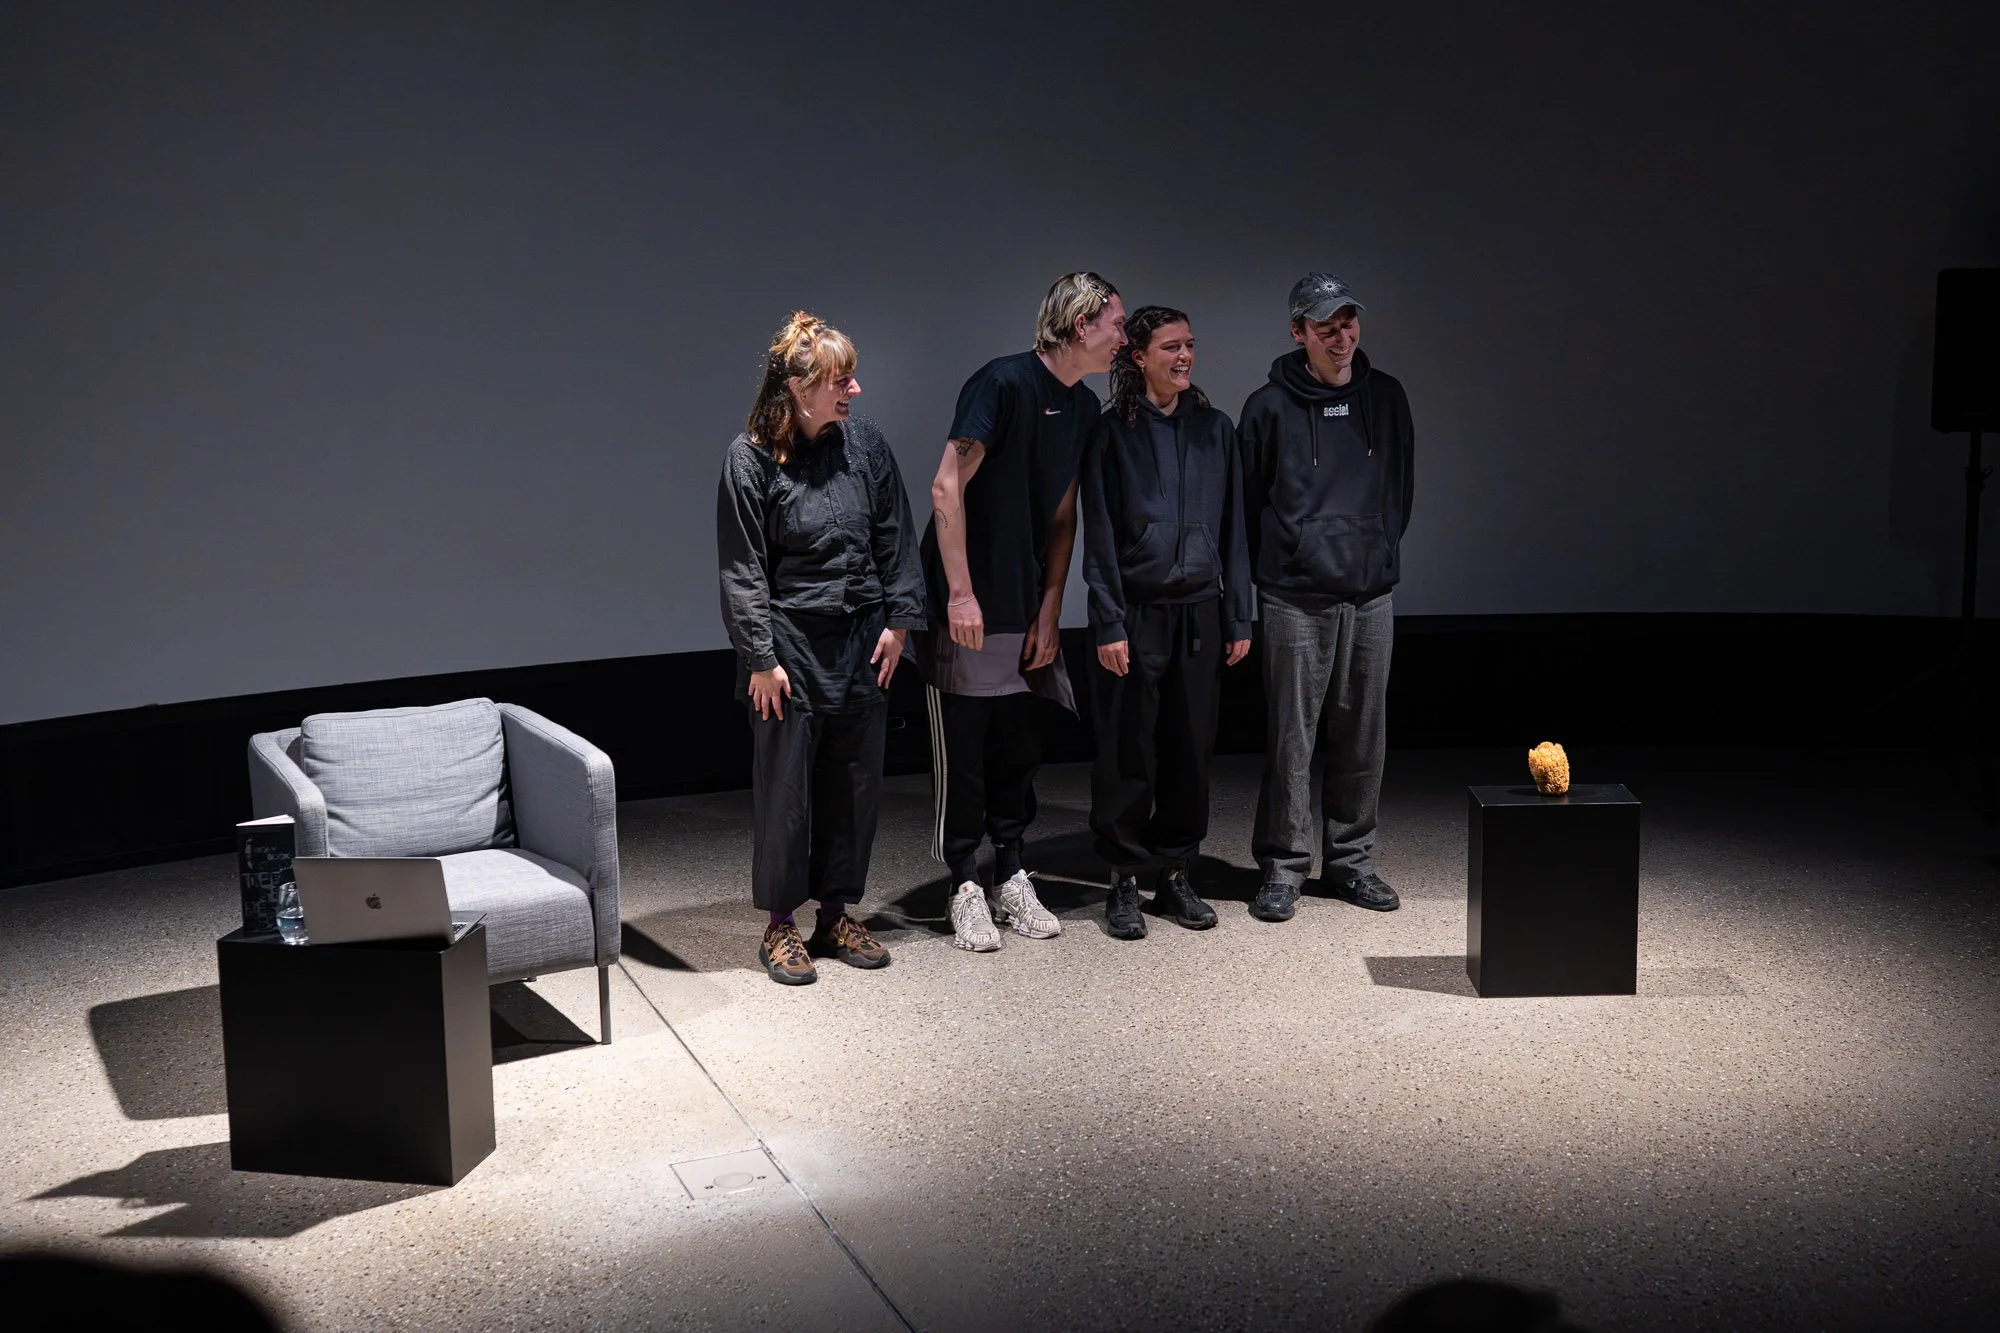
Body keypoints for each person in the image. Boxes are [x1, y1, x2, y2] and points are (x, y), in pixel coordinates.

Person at [917, 272, 1126, 951]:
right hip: (967, 600)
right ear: (1079, 326)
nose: (1123, 338)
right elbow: (946, 486)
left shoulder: (1085, 406)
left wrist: (1051, 606)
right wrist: (960, 592)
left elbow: (1063, 514)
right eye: (1116, 324)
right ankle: (963, 883)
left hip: (1025, 598)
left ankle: (1010, 872)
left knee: (1018, 749)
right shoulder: (1002, 383)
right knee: (966, 752)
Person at [717, 312, 926, 984]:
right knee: (787, 792)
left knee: (854, 785)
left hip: (862, 640)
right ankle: (780, 924)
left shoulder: (865, 445)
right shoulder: (751, 457)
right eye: (840, 380)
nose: (853, 390)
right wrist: (760, 657)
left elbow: (895, 534)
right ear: (799, 389)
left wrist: (900, 621)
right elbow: (743, 567)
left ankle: (835, 914)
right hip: (789, 646)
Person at [1240, 273, 1415, 922]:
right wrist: (1288, 560)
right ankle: (1283, 868)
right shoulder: (1267, 407)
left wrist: (1377, 551)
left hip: (1370, 596)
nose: (1342, 339)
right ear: (1299, 333)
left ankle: (1352, 863)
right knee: (1292, 739)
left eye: (1348, 324)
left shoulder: (1386, 397)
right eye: (1326, 328)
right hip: (1294, 598)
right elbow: (1249, 500)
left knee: (1364, 736)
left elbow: (1401, 487)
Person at [1078, 305, 1252, 940]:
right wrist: (1108, 622)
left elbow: (1234, 528)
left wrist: (1238, 614)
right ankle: (1123, 877)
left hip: (1201, 613)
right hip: (1135, 614)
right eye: (1170, 347)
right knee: (1128, 751)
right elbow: (1099, 535)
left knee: (1189, 748)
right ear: (1138, 357)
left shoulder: (1216, 428)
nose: (1184, 357)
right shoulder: (1111, 433)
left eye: (1189, 345)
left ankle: (1176, 872)